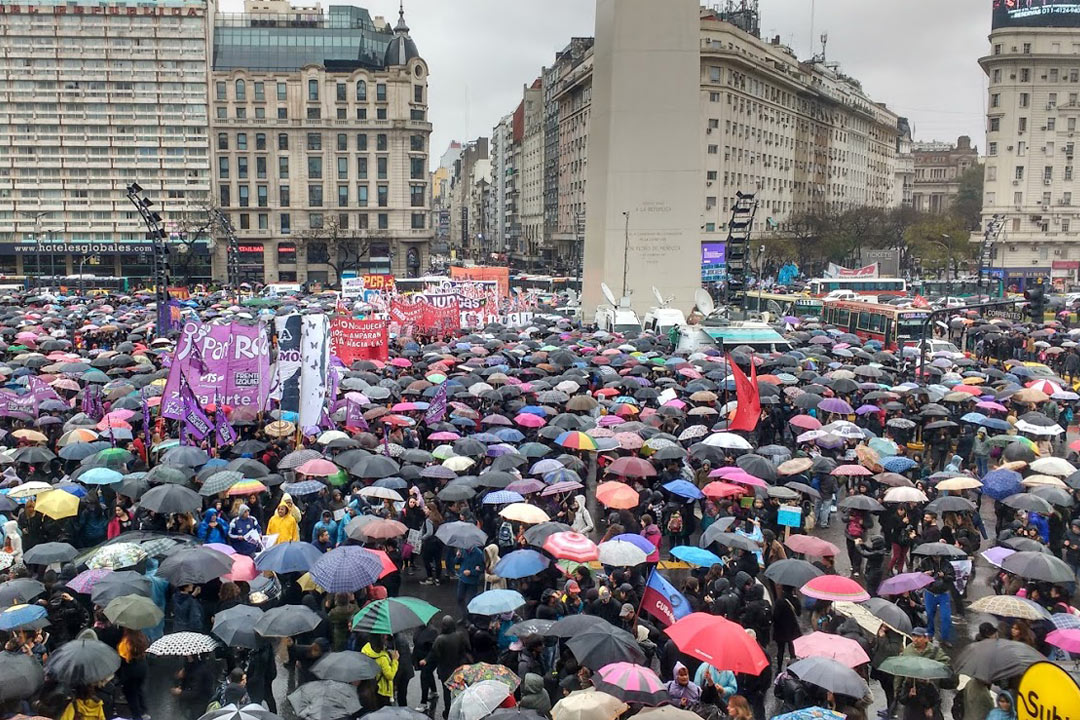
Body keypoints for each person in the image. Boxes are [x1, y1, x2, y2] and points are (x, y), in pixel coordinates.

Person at [362, 634, 399, 708]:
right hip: (383, 690)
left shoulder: (366, 651)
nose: (386, 638)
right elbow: (390, 676)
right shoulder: (382, 658)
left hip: (372, 687)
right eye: (384, 637)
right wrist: (395, 660)